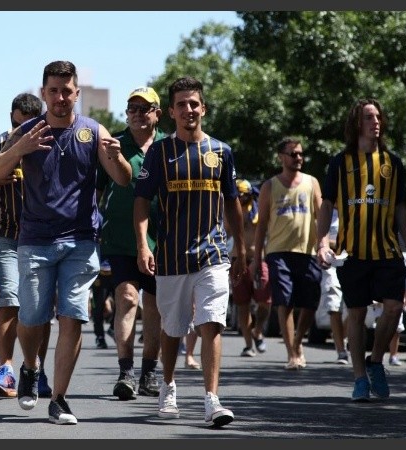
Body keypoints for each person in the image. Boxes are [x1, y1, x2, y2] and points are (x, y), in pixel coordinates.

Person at [0, 60, 131, 425]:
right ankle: (31, 368)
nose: (61, 97)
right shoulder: (27, 131)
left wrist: (116, 157)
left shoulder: (93, 131)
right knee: (32, 317)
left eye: (67, 91)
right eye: (54, 90)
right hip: (34, 240)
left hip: (80, 241)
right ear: (44, 93)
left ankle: (59, 399)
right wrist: (20, 149)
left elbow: (123, 178)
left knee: (72, 317)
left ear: (77, 94)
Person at [134, 76, 245, 427]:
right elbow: (141, 201)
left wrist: (240, 245)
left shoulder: (221, 152)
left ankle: (212, 399)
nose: (188, 110)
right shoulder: (160, 152)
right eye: (181, 104)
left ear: (204, 108)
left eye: (194, 103)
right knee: (173, 327)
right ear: (171, 112)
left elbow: (232, 202)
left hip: (212, 253)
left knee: (211, 322)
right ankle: (168, 385)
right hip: (171, 255)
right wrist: (142, 245)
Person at [316, 98, 406, 402]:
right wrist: (322, 243)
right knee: (357, 314)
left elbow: (401, 209)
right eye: (368, 118)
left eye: (378, 117)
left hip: (387, 250)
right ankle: (360, 378)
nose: (375, 122)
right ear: (356, 123)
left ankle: (376, 362)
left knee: (394, 307)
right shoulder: (340, 162)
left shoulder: (393, 162)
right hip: (353, 251)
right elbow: (327, 205)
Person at [0, 92, 53, 399]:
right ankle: (5, 369)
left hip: (43, 237)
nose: (20, 133)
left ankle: (37, 370)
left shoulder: (51, 144)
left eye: (26, 127)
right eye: (16, 125)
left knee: (41, 306)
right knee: (10, 298)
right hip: (6, 236)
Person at [97, 86, 165, 401]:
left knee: (154, 309)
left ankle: (149, 371)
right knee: (126, 298)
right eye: (132, 108)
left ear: (157, 114)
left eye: (144, 108)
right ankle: (126, 371)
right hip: (120, 238)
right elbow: (96, 190)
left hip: (162, 240)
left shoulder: (169, 146)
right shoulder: (113, 144)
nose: (137, 114)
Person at [252, 137, 322, 370]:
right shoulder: (270, 186)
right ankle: (292, 353)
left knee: (311, 302)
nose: (298, 158)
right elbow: (261, 225)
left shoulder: (312, 183)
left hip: (308, 251)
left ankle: (298, 340)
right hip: (278, 251)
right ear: (281, 157)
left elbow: (321, 216)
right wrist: (257, 258)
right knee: (286, 301)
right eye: (293, 154)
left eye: (301, 154)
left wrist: (325, 245)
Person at [230, 179, 272, 358]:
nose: (240, 198)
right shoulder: (232, 210)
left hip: (258, 259)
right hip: (237, 260)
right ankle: (248, 345)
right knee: (242, 305)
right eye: (237, 195)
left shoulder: (258, 210)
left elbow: (266, 233)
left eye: (243, 195)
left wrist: (258, 258)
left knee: (265, 301)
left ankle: (258, 330)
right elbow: (226, 228)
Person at [315, 209, 349, 364]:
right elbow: (320, 238)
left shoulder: (354, 208)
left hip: (352, 261)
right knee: (334, 306)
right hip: (331, 264)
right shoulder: (327, 213)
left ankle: (341, 338)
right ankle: (341, 351)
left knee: (355, 308)